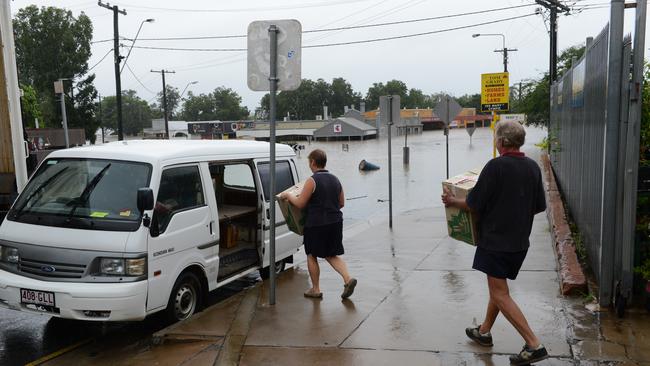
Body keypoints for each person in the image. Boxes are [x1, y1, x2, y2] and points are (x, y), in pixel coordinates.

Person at [441, 120, 548, 365]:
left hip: (495, 242)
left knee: (500, 294)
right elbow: (539, 207)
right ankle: (484, 331)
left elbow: (473, 203)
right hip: (520, 242)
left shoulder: (495, 167)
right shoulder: (532, 167)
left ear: (500, 141)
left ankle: (534, 345)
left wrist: (452, 201)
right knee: (497, 289)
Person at [279, 149, 357, 300]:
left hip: (316, 224)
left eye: (309, 162)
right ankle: (348, 279)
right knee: (331, 254)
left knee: (312, 254)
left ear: (313, 162)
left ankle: (315, 289)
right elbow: (341, 203)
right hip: (335, 222)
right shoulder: (335, 179)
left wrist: (288, 195)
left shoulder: (312, 181)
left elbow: (300, 204)